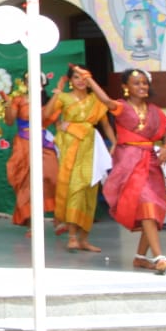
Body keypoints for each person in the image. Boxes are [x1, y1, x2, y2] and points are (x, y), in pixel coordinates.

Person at [85, 68, 166, 273]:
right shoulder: (122, 107)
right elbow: (105, 100)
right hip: (129, 163)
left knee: (153, 209)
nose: (142, 86)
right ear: (126, 87)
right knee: (147, 206)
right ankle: (159, 256)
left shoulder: (155, 111)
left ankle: (140, 258)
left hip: (151, 164)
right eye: (136, 83)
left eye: (144, 83)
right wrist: (89, 79)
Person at [50, 64, 116, 253]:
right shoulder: (64, 98)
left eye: (84, 77)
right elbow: (48, 116)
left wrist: (114, 142)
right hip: (71, 147)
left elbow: (105, 124)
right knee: (75, 189)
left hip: (91, 147)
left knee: (90, 190)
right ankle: (72, 237)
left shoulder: (96, 100)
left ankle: (84, 239)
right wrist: (61, 125)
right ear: (71, 80)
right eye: (76, 77)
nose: (80, 81)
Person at [2, 80, 59, 233]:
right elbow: (9, 121)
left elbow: (53, 120)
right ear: (26, 84)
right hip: (24, 144)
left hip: (43, 142)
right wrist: (7, 103)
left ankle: (59, 217)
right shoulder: (19, 100)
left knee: (53, 176)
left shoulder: (49, 100)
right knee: (27, 181)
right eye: (29, 81)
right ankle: (31, 223)